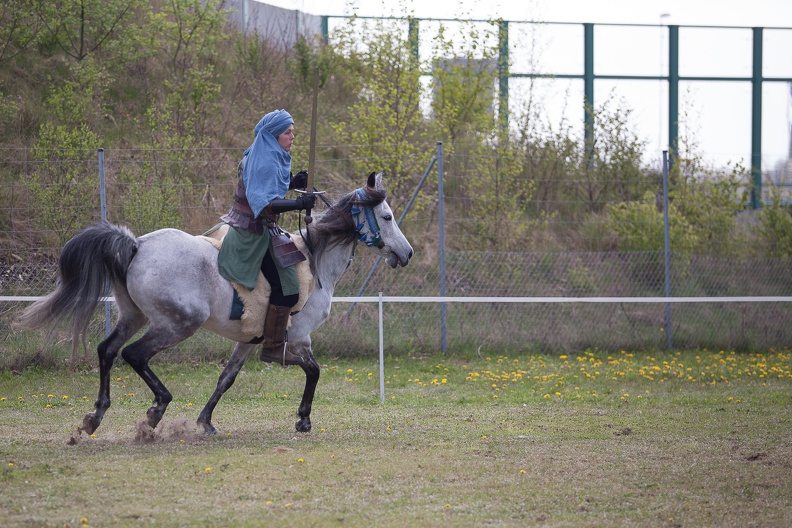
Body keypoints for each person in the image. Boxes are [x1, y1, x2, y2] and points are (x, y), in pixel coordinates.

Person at [217, 109, 316, 360]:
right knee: (290, 289)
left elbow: (269, 185)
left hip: (260, 227)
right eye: (287, 132)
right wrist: (298, 204)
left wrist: (293, 182)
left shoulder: (267, 153)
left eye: (293, 131)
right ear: (274, 135)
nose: (292, 136)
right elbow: (265, 203)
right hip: (253, 232)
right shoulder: (265, 160)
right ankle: (272, 348)